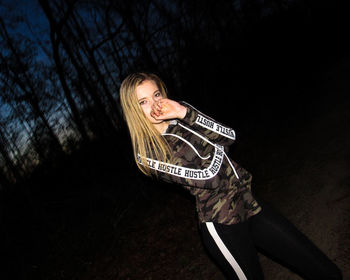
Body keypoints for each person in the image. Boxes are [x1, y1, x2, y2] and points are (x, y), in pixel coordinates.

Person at [119, 72, 342, 280]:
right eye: (143, 102)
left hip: (247, 202)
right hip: (222, 224)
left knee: (323, 269)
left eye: (156, 94)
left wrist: (185, 113)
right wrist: (218, 148)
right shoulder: (147, 154)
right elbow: (208, 178)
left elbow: (230, 136)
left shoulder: (183, 113)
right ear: (133, 110)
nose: (155, 104)